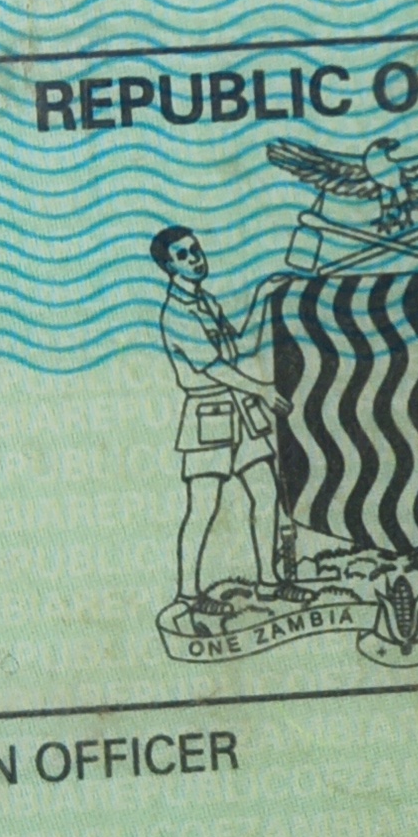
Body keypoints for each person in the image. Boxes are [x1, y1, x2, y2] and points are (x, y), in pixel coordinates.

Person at [151, 224, 275, 606]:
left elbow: (238, 347)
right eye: (183, 255)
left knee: (266, 492)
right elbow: (214, 367)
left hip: (239, 408)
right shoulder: (177, 312)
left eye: (195, 249)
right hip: (209, 414)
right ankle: (188, 594)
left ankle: (269, 582)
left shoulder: (207, 302)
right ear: (169, 267)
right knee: (203, 507)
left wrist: (264, 298)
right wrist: (262, 389)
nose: (194, 258)